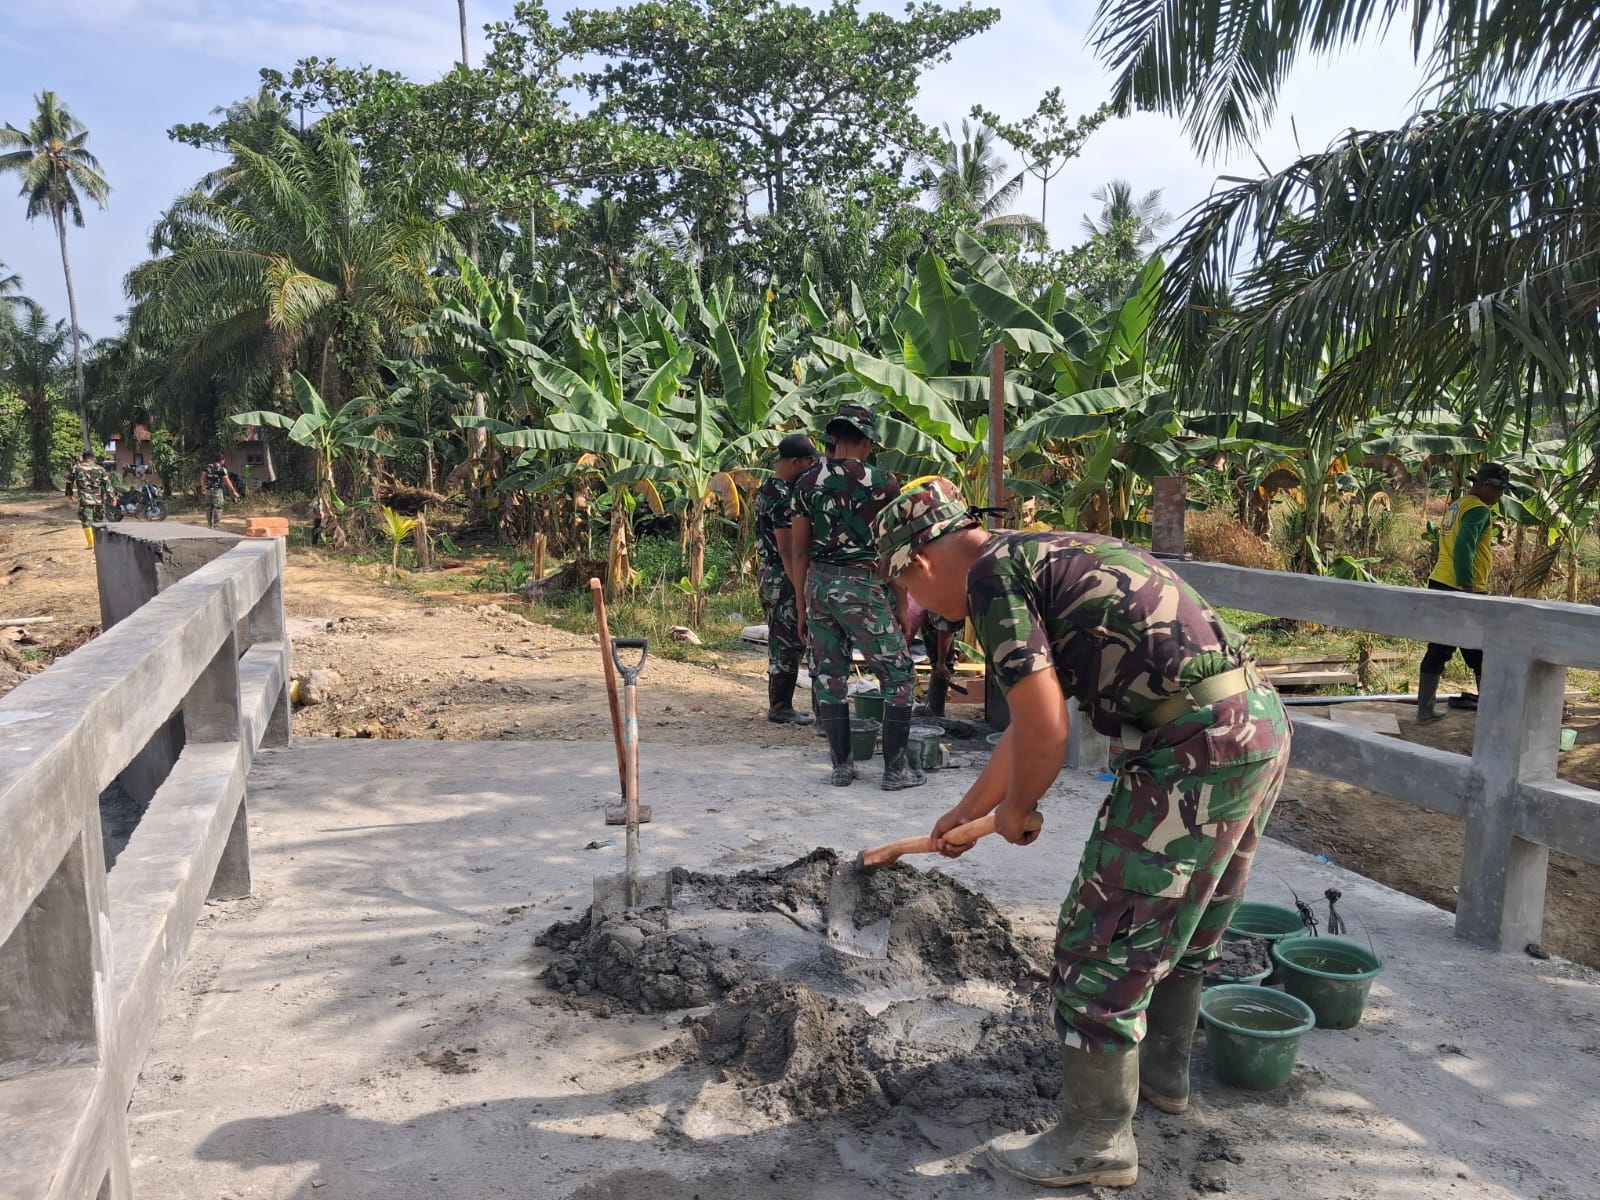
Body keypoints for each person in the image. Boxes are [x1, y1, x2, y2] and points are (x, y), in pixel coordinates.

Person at [872, 478, 1291, 1190]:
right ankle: (1163, 1077)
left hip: (1192, 752)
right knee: (1184, 924)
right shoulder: (1038, 555)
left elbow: (1045, 731)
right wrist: (970, 811)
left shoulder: (989, 583)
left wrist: (1016, 811)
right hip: (1251, 725)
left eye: (906, 588)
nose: (922, 606)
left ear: (919, 561)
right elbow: (1032, 716)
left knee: (1097, 947)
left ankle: (1097, 1139)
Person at [786, 404, 924, 790]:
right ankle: (895, 770)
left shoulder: (806, 482)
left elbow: (799, 550)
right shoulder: (885, 482)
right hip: (861, 585)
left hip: (818, 585)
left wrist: (801, 603)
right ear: (865, 441)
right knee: (898, 673)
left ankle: (841, 767)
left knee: (830, 676)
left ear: (834, 438)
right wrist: (901, 603)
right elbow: (894, 548)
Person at [1417, 462, 1508, 721]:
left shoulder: (1458, 505)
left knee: (1438, 648)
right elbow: (1464, 548)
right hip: (1463, 586)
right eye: (1499, 490)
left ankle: (1425, 710)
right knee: (1479, 651)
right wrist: (1468, 588)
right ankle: (1492, 715)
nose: (1500, 496)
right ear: (1487, 486)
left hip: (1440, 580)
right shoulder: (1478, 510)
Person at [754, 433, 820, 725]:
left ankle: (782, 704)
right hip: (783, 575)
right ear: (795, 462)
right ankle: (780, 707)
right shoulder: (782, 496)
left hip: (772, 573)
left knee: (785, 640)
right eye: (808, 463)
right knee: (787, 643)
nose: (810, 469)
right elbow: (788, 549)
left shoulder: (769, 487)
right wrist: (800, 590)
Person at [64, 450, 113, 549]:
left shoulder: (77, 468)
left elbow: (69, 482)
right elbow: (107, 484)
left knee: (86, 521)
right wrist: (112, 496)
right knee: (98, 520)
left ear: (83, 458)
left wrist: (69, 494)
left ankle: (91, 543)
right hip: (99, 500)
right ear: (93, 458)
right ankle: (100, 544)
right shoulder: (100, 468)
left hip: (85, 499)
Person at [201, 450, 241, 529]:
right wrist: (234, 492)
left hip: (208, 490)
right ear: (222, 460)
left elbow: (202, 478)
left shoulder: (207, 467)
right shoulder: (222, 469)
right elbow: (227, 482)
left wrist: (203, 487)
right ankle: (216, 525)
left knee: (209, 507)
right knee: (218, 507)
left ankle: (209, 525)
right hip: (217, 491)